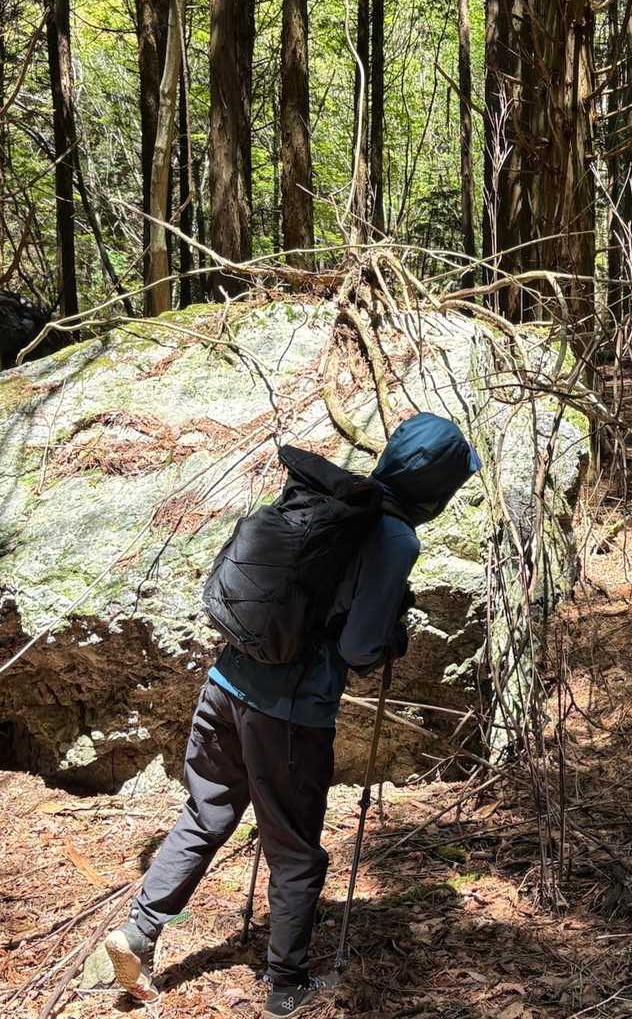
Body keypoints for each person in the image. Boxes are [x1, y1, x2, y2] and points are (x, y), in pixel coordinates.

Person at [104, 413, 481, 1018]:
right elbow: (359, 648)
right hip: (288, 714)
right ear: (438, 487)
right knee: (295, 852)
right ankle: (287, 985)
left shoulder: (330, 497)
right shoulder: (394, 537)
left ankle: (140, 933)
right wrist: (391, 635)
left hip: (225, 683)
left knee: (205, 813)